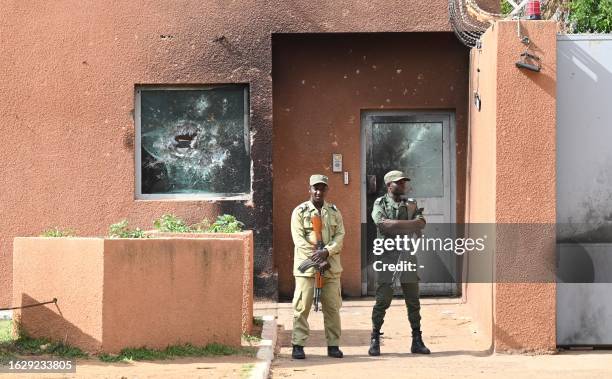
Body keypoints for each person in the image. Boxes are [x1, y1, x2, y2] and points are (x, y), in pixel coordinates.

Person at [368, 170, 431, 356]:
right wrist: (410, 225)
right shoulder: (380, 203)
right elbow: (382, 224)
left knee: (413, 300)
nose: (403, 185)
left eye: (404, 182)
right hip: (387, 256)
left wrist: (398, 225)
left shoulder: (411, 204)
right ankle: (375, 339)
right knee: (383, 299)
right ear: (389, 185)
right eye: (399, 182)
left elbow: (421, 223)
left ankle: (417, 340)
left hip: (407, 256)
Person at [290, 174, 345, 359]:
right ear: (310, 189)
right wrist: (316, 257)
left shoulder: (334, 212)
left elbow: (340, 236)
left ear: (327, 190)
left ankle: (333, 345)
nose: (318, 191)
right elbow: (299, 240)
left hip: (330, 266)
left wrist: (326, 252)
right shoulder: (300, 212)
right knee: (302, 307)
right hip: (307, 269)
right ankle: (298, 344)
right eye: (315, 188)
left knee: (332, 307)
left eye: (322, 188)